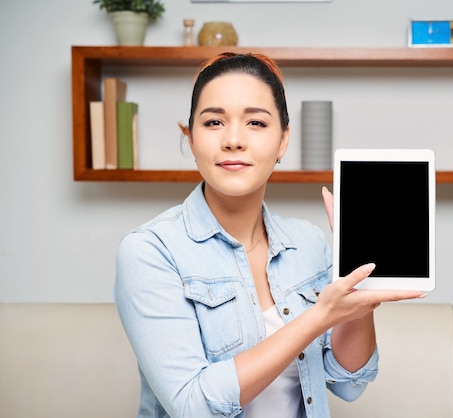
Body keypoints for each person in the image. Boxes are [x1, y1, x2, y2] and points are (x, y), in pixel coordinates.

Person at [114, 52, 425, 418]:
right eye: (213, 122)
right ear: (191, 138)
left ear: (282, 141)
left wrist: (358, 295)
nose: (233, 140)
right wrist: (320, 316)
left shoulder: (308, 242)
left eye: (256, 123)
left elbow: (349, 383)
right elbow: (193, 407)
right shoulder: (150, 251)